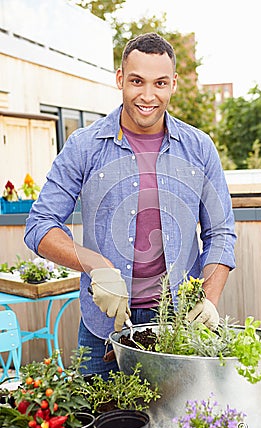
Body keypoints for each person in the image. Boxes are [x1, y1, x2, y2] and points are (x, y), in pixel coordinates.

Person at [24, 32, 236, 379]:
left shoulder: (199, 148)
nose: (148, 95)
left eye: (160, 83)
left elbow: (221, 232)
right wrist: (97, 265)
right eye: (137, 81)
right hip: (103, 332)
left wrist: (209, 299)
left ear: (174, 84)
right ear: (120, 78)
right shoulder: (84, 147)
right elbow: (40, 226)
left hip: (179, 327)